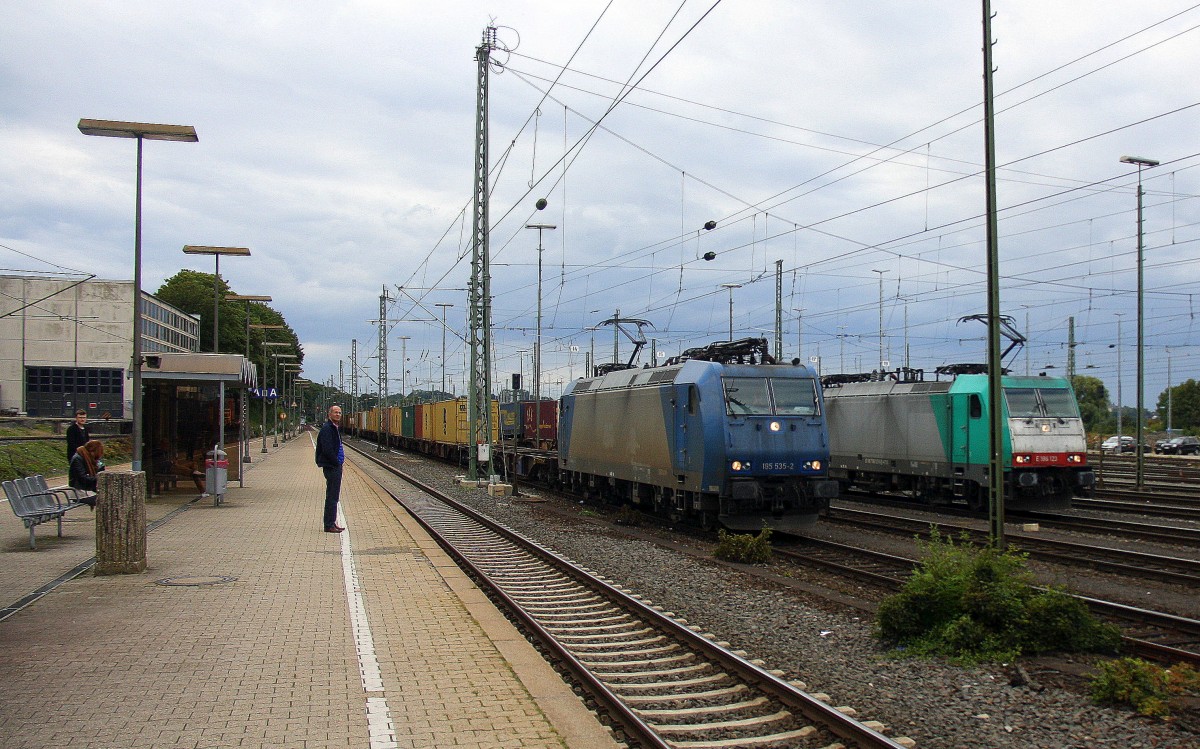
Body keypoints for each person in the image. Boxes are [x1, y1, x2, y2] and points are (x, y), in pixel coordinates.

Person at [315, 405, 345, 533]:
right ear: (330, 414)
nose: (338, 414)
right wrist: (336, 462)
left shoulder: (333, 428)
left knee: (334, 495)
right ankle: (329, 524)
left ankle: (332, 522)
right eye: (335, 412)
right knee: (332, 496)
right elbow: (327, 449)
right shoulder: (327, 429)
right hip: (332, 466)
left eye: (339, 413)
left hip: (334, 466)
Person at [69, 439, 105, 507]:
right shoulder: (77, 459)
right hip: (80, 492)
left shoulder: (87, 458)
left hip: (87, 490)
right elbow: (83, 478)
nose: (96, 458)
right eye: (96, 456)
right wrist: (99, 478)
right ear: (92, 452)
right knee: (104, 500)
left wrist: (100, 469)